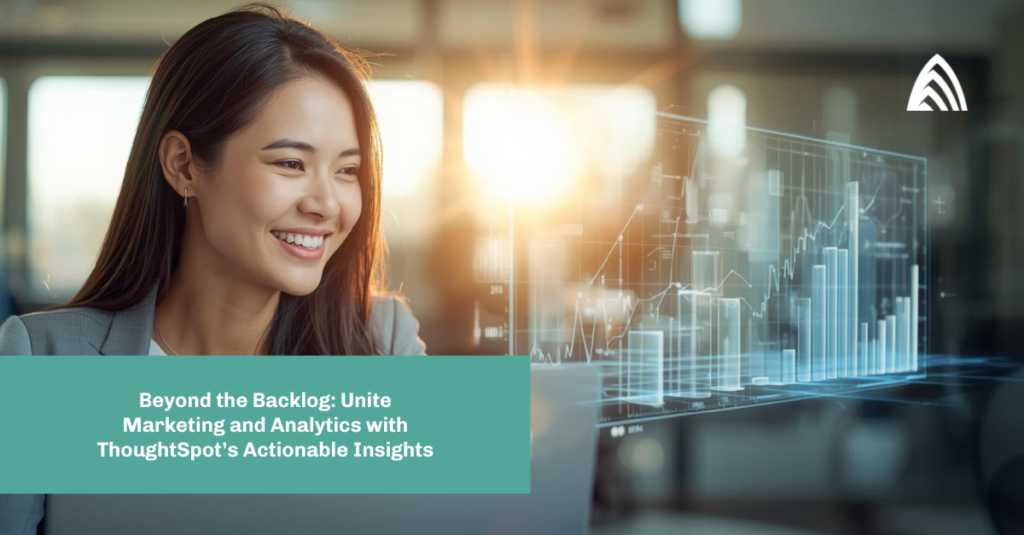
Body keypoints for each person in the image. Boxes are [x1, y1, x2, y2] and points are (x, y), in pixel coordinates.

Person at [0, 4, 426, 533]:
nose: (328, 204)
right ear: (183, 166)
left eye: (347, 170)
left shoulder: (382, 344)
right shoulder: (43, 360)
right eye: (290, 163)